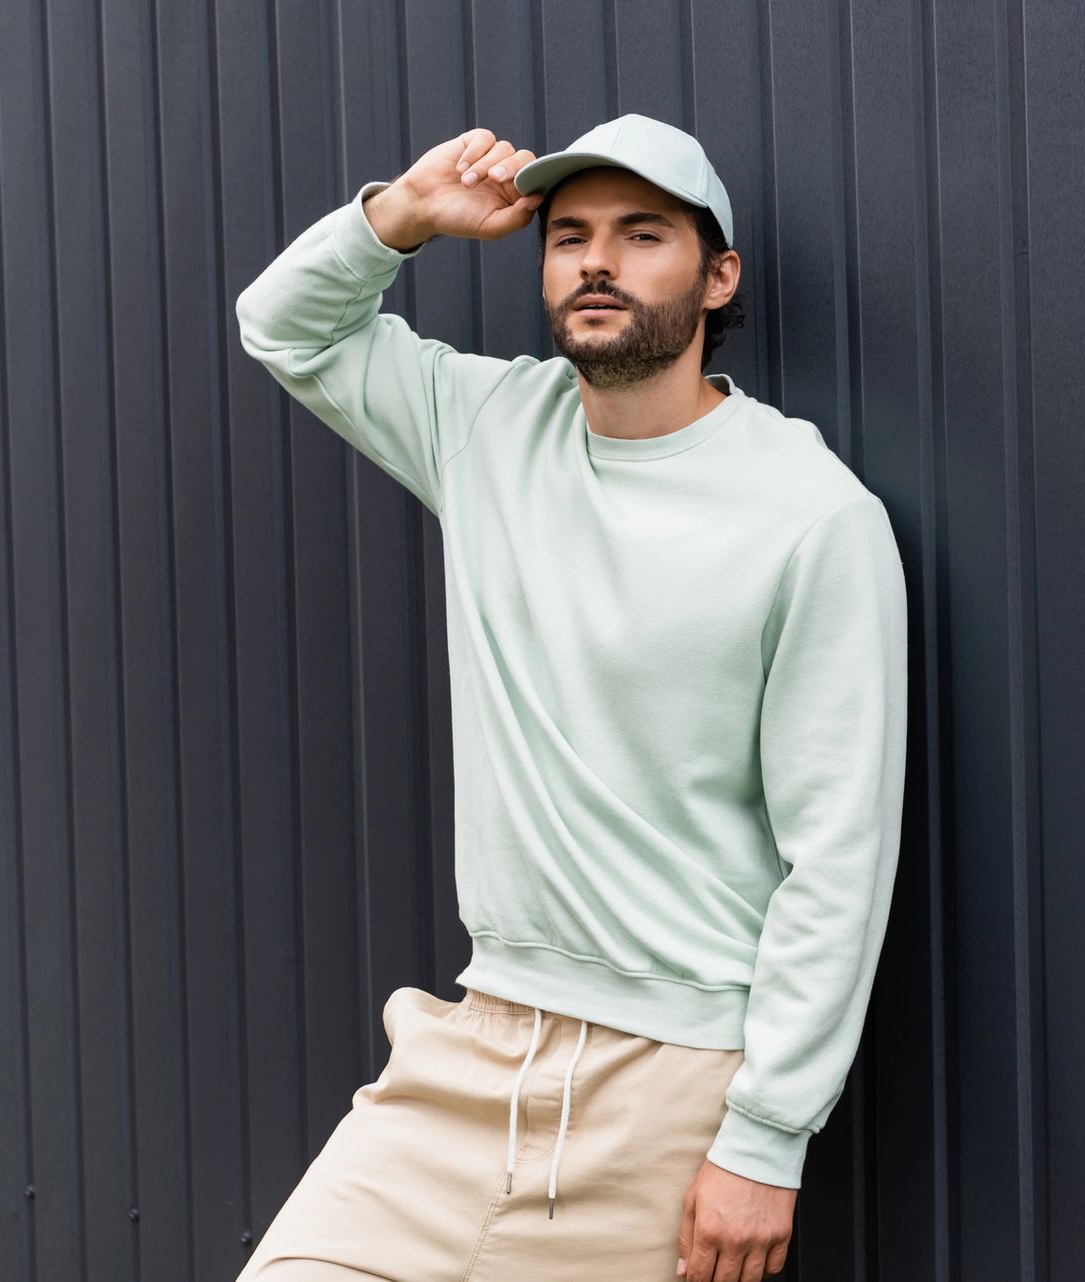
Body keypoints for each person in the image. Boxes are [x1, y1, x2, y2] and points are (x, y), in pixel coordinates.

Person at [231, 112, 908, 1282]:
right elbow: (282, 325)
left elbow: (837, 854)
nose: (596, 261)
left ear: (718, 275)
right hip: (467, 1051)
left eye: (643, 235)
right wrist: (402, 216)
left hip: (674, 1086)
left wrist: (765, 1137)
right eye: (570, 235)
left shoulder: (814, 515)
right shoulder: (491, 427)